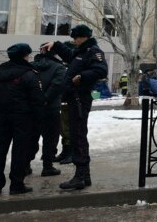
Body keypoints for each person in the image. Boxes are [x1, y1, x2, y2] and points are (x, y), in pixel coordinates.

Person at [43, 23, 107, 191]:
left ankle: (79, 176)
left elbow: (101, 70)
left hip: (80, 98)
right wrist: (56, 45)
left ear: (83, 37)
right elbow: (70, 55)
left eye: (76, 38)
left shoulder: (93, 51)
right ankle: (85, 176)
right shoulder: (81, 52)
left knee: (77, 136)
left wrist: (81, 76)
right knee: (78, 134)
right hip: (74, 97)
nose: (74, 41)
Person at [0, 43, 45, 195]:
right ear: (24, 56)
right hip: (23, 119)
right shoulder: (29, 74)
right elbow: (37, 101)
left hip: (2, 117)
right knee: (20, 151)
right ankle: (16, 184)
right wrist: (38, 122)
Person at [30, 44, 69, 176]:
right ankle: (47, 166)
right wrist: (45, 100)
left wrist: (36, 102)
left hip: (33, 109)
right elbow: (57, 86)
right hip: (51, 108)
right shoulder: (59, 67)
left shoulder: (30, 65)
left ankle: (25, 165)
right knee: (50, 138)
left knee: (31, 137)